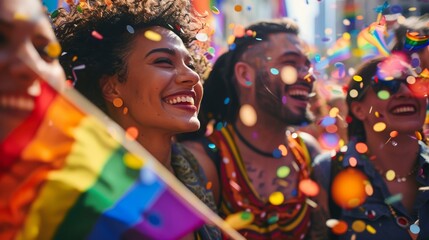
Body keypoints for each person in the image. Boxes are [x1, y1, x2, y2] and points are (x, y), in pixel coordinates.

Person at [53, 0, 220, 239]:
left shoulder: (191, 166)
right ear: (112, 87)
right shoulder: (85, 188)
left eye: (190, 64)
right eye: (163, 61)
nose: (192, 76)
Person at [178, 18, 321, 239]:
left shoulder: (308, 153)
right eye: (291, 63)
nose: (307, 75)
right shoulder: (203, 160)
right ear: (245, 75)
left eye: (307, 65)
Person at [311, 56, 429, 239]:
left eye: (413, 83)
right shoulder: (328, 172)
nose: (406, 92)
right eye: (388, 85)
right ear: (359, 110)